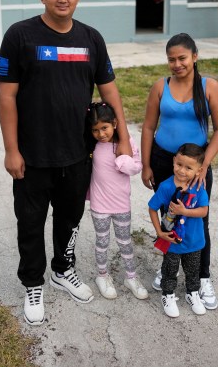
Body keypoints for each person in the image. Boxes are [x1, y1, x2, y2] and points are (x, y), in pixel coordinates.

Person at [0, 0, 132, 326]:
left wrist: (125, 139)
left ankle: (62, 270)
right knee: (30, 222)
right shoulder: (20, 35)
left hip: (77, 153)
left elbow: (109, 90)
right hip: (33, 154)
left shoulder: (91, 39)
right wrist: (12, 149)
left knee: (69, 220)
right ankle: (33, 282)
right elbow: (6, 96)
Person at [140, 33, 218, 310]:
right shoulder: (160, 86)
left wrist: (203, 166)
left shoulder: (209, 86)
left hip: (195, 166)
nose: (177, 64)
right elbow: (148, 127)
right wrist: (146, 164)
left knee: (199, 220)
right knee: (169, 217)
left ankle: (202, 276)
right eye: (171, 59)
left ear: (195, 56)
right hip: (164, 160)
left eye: (182, 58)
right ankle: (168, 269)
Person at [86, 101, 149, 301]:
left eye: (104, 128)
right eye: (95, 130)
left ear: (114, 123)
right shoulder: (92, 145)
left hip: (121, 204)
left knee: (125, 241)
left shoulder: (125, 143)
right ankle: (102, 276)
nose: (101, 134)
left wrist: (123, 160)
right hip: (99, 205)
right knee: (102, 241)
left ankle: (131, 277)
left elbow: (136, 167)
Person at [147, 143, 210, 317]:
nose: (182, 171)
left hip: (194, 240)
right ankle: (168, 295)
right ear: (174, 161)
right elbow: (152, 208)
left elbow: (204, 210)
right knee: (170, 269)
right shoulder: (166, 187)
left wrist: (184, 211)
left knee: (193, 269)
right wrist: (159, 233)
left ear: (198, 170)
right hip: (172, 240)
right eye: (179, 164)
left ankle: (193, 293)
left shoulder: (198, 187)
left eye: (189, 167)